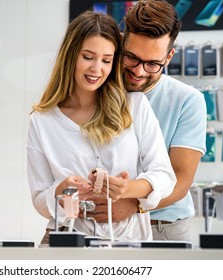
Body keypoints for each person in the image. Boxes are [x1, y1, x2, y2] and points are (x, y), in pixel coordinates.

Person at [27, 10, 176, 245]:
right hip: (68, 243)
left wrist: (128, 189)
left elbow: (165, 175)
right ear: (70, 55)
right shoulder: (42, 121)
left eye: (107, 60)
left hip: (128, 244)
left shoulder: (134, 105)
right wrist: (65, 191)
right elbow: (40, 202)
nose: (97, 69)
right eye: (88, 57)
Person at [84, 0, 207, 241]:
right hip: (102, 223)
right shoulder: (96, 86)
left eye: (153, 64)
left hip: (162, 226)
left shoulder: (187, 100)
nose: (139, 72)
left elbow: (181, 180)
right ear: (120, 42)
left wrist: (134, 205)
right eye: (131, 57)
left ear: (169, 57)